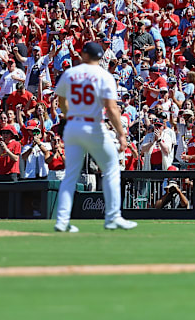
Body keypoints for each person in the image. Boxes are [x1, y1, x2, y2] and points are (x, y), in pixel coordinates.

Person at [53, 41, 137, 232]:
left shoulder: (70, 73)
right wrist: (122, 134)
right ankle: (113, 217)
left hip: (73, 125)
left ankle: (62, 220)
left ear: (83, 55)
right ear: (99, 57)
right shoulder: (104, 75)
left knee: (70, 175)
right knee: (112, 168)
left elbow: (61, 101)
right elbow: (112, 108)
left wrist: (68, 115)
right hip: (93, 125)